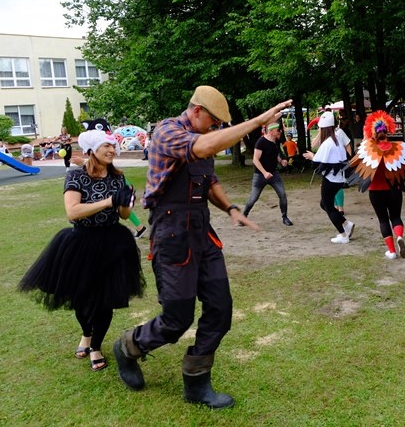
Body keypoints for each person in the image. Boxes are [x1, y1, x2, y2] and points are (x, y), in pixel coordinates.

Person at [112, 86, 291, 409]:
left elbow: (209, 181)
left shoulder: (203, 137)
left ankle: (196, 382)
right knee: (176, 320)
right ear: (196, 111)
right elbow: (203, 146)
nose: (216, 129)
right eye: (214, 122)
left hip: (202, 232)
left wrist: (231, 208)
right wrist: (256, 122)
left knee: (220, 310)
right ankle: (128, 346)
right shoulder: (168, 131)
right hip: (171, 234)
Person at [18, 127, 145, 372]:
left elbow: (123, 214)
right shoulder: (77, 176)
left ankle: (95, 346)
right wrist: (109, 200)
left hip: (112, 243)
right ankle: (86, 333)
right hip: (81, 244)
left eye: (113, 146)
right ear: (92, 150)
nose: (111, 149)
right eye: (106, 145)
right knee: (82, 299)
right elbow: (73, 211)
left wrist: (126, 202)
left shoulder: (118, 177)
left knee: (106, 300)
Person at [349, 110, 405, 259]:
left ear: (372, 133)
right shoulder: (400, 148)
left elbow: (355, 164)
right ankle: (399, 236)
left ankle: (392, 251)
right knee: (396, 216)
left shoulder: (367, 150)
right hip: (394, 189)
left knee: (383, 220)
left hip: (376, 191)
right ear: (387, 131)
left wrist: (366, 138)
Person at [302, 111, 355, 244]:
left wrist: (311, 156)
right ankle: (346, 224)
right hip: (339, 179)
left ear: (323, 129)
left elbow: (317, 164)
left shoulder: (327, 143)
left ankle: (343, 235)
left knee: (329, 207)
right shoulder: (336, 140)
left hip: (330, 180)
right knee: (324, 204)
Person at [242, 122, 293, 226]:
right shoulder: (261, 142)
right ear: (271, 131)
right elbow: (255, 160)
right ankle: (243, 217)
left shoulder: (276, 142)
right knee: (253, 198)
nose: (280, 132)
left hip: (274, 174)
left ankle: (285, 217)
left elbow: (276, 154)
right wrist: (265, 173)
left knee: (282, 194)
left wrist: (281, 160)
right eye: (278, 130)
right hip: (260, 176)